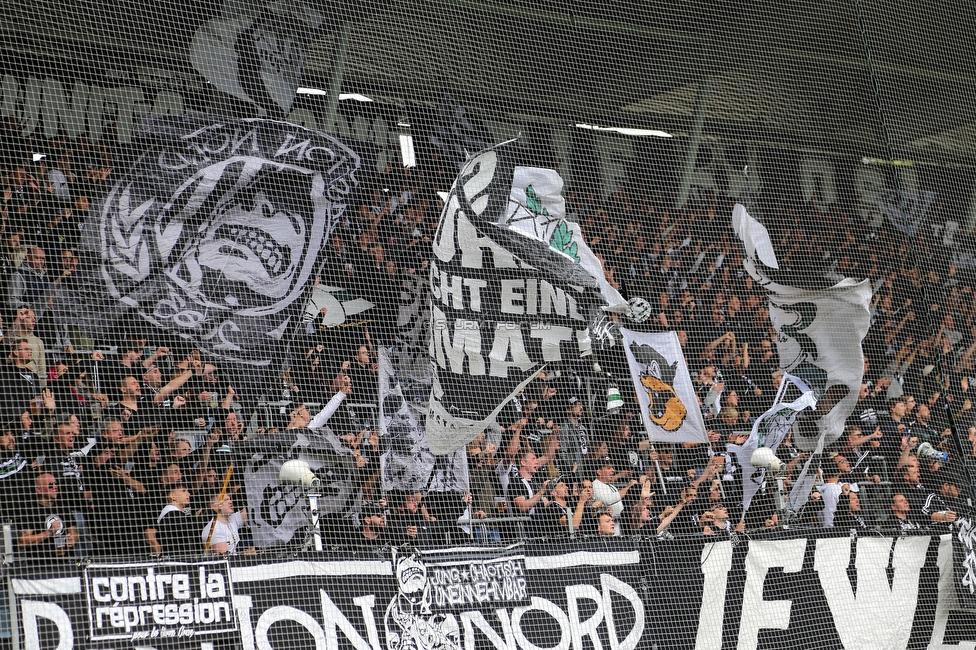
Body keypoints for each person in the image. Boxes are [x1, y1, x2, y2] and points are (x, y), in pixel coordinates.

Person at [18, 473, 78, 558]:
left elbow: (74, 532)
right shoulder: (30, 510)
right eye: (50, 485)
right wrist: (49, 532)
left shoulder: (63, 507)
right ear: (39, 490)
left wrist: (73, 539)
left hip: (66, 562)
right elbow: (22, 542)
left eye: (56, 483)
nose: (55, 487)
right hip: (40, 564)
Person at [156, 484, 201, 556]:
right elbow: (193, 529)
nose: (188, 494)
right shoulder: (171, 513)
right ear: (173, 496)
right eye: (183, 491)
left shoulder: (173, 513)